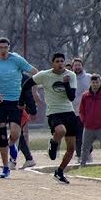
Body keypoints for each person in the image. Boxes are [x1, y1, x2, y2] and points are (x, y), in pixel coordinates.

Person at [0, 37, 38, 179]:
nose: (3, 50)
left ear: (9, 47)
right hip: (0, 102)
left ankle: (12, 144)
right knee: (1, 134)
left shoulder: (17, 60)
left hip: (15, 101)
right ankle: (6, 167)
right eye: (0, 48)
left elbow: (35, 72)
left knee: (15, 132)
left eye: (5, 47)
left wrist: (35, 88)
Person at [20, 52, 78, 184]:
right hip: (54, 112)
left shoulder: (71, 75)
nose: (60, 64)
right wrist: (21, 101)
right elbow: (27, 84)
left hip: (69, 112)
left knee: (71, 148)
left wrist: (66, 84)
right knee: (61, 131)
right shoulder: (44, 75)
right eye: (57, 61)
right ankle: (53, 143)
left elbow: (71, 97)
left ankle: (60, 171)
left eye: (62, 61)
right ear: (53, 63)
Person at [78, 74, 101, 165]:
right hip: (88, 126)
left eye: (96, 82)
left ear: (100, 83)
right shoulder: (85, 96)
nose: (95, 84)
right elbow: (81, 110)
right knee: (85, 147)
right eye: (93, 82)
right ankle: (82, 164)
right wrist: (84, 120)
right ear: (90, 83)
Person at [71, 57, 92, 162]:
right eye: (75, 65)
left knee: (88, 133)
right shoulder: (69, 77)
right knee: (77, 134)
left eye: (79, 65)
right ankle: (80, 155)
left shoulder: (89, 77)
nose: (77, 67)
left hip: (87, 111)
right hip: (74, 111)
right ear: (72, 67)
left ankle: (88, 153)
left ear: (82, 66)